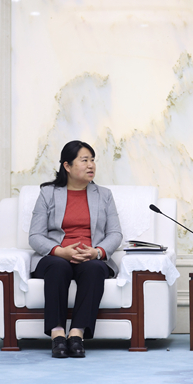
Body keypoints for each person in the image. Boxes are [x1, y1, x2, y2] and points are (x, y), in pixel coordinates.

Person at [29, 140, 122, 358]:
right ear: (67, 166)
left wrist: (97, 252)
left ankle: (76, 334)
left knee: (95, 269)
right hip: (56, 255)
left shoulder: (104, 195)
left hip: (90, 256)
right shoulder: (48, 193)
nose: (91, 165)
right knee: (58, 267)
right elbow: (35, 235)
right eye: (84, 160)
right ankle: (57, 334)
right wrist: (59, 251)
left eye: (93, 160)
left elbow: (115, 233)